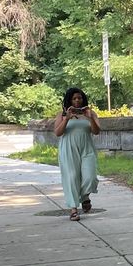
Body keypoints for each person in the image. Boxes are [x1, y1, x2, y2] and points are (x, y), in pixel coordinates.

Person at [53, 87, 100, 221]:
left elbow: (96, 131)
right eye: (74, 98)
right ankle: (74, 209)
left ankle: (85, 196)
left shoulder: (91, 113)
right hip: (68, 149)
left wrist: (90, 118)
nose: (77, 101)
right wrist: (66, 118)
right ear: (69, 100)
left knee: (90, 177)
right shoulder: (61, 115)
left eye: (79, 98)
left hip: (87, 148)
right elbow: (57, 133)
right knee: (72, 178)